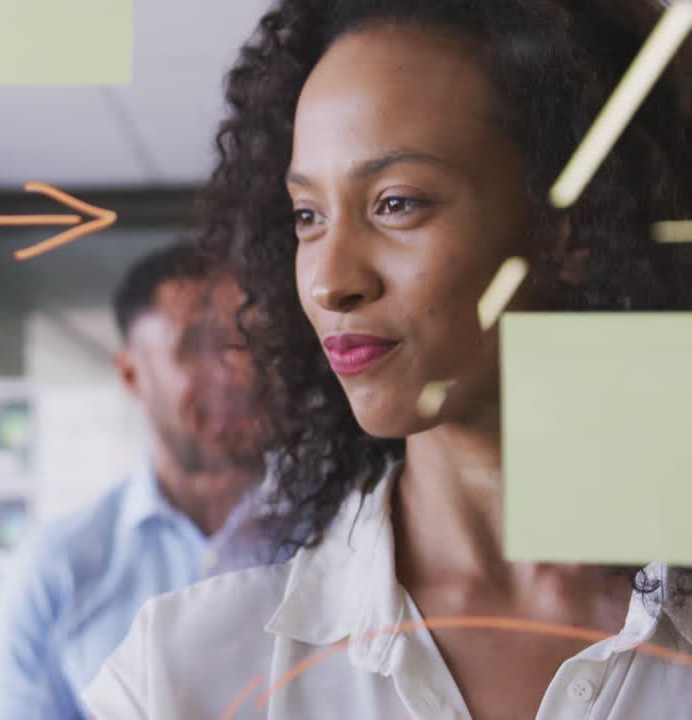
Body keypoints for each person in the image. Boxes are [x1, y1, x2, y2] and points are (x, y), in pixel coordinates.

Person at [80, 0, 692, 718]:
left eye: (396, 204)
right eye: (308, 216)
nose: (331, 281)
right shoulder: (180, 676)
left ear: (570, 228)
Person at [0, 243, 282, 720]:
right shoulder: (58, 569)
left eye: (248, 340)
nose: (237, 372)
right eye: (196, 347)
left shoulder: (342, 537)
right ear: (132, 373)